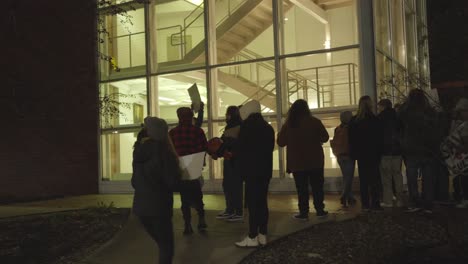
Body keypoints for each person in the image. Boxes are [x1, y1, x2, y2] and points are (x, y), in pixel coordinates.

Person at [132, 117, 181, 264]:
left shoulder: (138, 152)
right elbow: (173, 183)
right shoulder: (164, 152)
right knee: (167, 247)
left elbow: (134, 182)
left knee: (162, 244)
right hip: (159, 208)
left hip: (141, 209)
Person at [278, 99, 330, 219]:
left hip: (297, 163)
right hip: (315, 161)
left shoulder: (289, 125)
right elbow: (325, 137)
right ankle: (320, 210)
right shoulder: (315, 122)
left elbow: (280, 142)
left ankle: (304, 212)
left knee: (301, 189)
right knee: (317, 187)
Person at [235, 100, 274, 248]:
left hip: (251, 172)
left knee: (252, 204)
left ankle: (252, 236)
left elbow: (241, 150)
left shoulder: (246, 127)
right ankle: (263, 234)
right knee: (262, 202)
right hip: (265, 171)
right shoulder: (268, 128)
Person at [399, 89, 440, 213]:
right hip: (427, 149)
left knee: (412, 178)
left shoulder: (406, 112)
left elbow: (399, 125)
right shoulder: (430, 112)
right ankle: (428, 203)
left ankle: (415, 201)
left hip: (411, 149)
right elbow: (436, 130)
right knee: (428, 178)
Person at [169, 107, 208, 234]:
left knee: (184, 198)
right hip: (194, 166)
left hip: (181, 168)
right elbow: (203, 148)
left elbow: (170, 152)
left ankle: (187, 225)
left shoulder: (173, 133)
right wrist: (201, 163)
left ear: (179, 117)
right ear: (191, 117)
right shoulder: (198, 131)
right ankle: (201, 220)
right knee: (198, 197)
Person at [349, 95, 383, 212]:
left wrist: (353, 153)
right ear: (370, 105)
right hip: (373, 153)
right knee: (374, 179)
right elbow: (380, 138)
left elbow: (351, 139)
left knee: (363, 179)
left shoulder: (354, 121)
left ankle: (365, 204)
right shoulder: (375, 120)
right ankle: (375, 203)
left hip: (361, 154)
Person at [215, 106, 244, 222]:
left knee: (234, 186)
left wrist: (219, 151)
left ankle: (237, 211)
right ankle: (230, 209)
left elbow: (229, 144)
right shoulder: (232, 127)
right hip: (230, 161)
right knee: (228, 185)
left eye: (228, 114)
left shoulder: (237, 128)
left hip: (234, 161)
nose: (226, 116)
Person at [441, 98, 468, 208]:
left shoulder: (463, 125)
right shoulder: (461, 123)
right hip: (460, 156)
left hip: (462, 156)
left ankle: (464, 198)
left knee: (463, 177)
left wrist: (459, 147)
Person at [377, 99, 403, 207]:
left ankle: (388, 201)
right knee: (397, 175)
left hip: (385, 152)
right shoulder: (398, 117)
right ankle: (400, 200)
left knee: (386, 177)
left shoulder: (379, 118)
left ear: (382, 106)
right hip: (397, 151)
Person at [331, 111, 356, 208]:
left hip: (340, 156)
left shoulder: (338, 129)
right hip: (348, 155)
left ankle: (350, 197)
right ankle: (344, 195)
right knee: (348, 178)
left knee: (346, 177)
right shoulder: (350, 128)